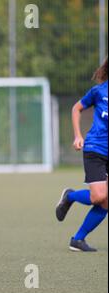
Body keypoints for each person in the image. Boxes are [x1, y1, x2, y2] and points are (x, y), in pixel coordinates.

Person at [56, 57, 108, 252]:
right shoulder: (99, 91)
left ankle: (77, 239)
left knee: (106, 203)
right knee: (98, 197)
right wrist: (78, 135)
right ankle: (70, 196)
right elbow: (76, 108)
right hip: (95, 149)